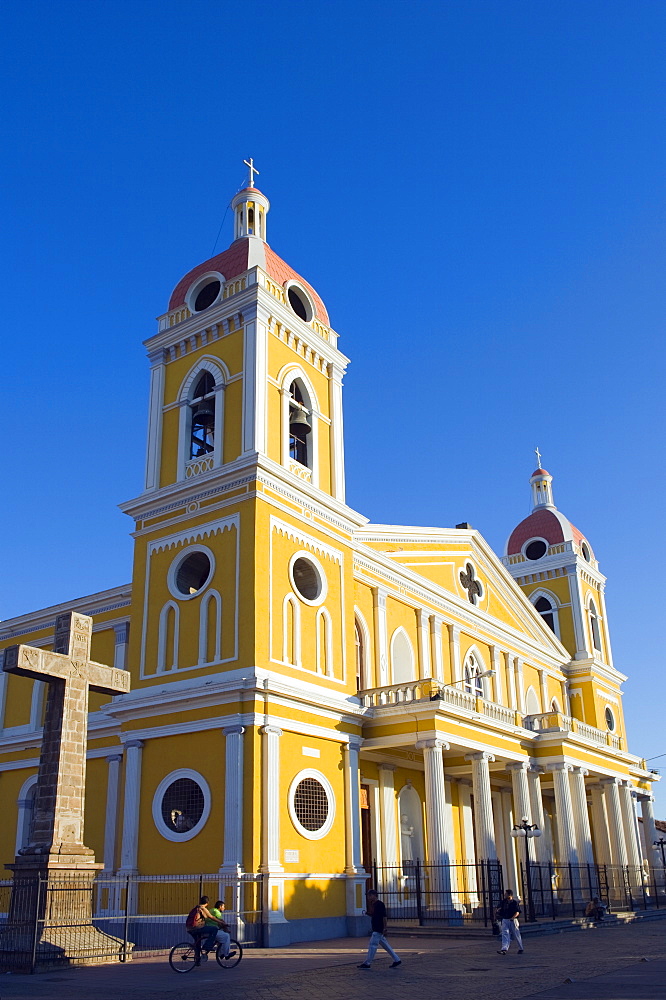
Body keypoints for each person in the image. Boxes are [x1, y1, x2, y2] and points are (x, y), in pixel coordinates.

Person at [357, 889, 402, 969]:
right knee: (386, 945)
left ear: (374, 895)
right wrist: (367, 913)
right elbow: (374, 915)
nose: (368, 897)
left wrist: (385, 928)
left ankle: (367, 963)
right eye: (368, 896)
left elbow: (384, 916)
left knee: (372, 945)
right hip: (376, 927)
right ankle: (397, 959)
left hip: (378, 928)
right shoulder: (373, 904)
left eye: (370, 895)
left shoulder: (380, 904)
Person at [186, 895, 222, 963]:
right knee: (214, 929)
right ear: (207, 903)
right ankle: (207, 946)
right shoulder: (203, 908)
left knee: (198, 943)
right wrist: (221, 922)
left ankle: (197, 960)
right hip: (197, 928)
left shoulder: (196, 907)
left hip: (190, 928)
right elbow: (211, 917)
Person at [495, 889, 524, 955]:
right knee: (505, 934)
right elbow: (499, 908)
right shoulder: (503, 902)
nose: (505, 895)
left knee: (516, 934)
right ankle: (504, 949)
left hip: (512, 920)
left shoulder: (514, 903)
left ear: (509, 895)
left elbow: (517, 912)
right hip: (505, 919)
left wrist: (513, 918)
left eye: (506, 894)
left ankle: (520, 948)